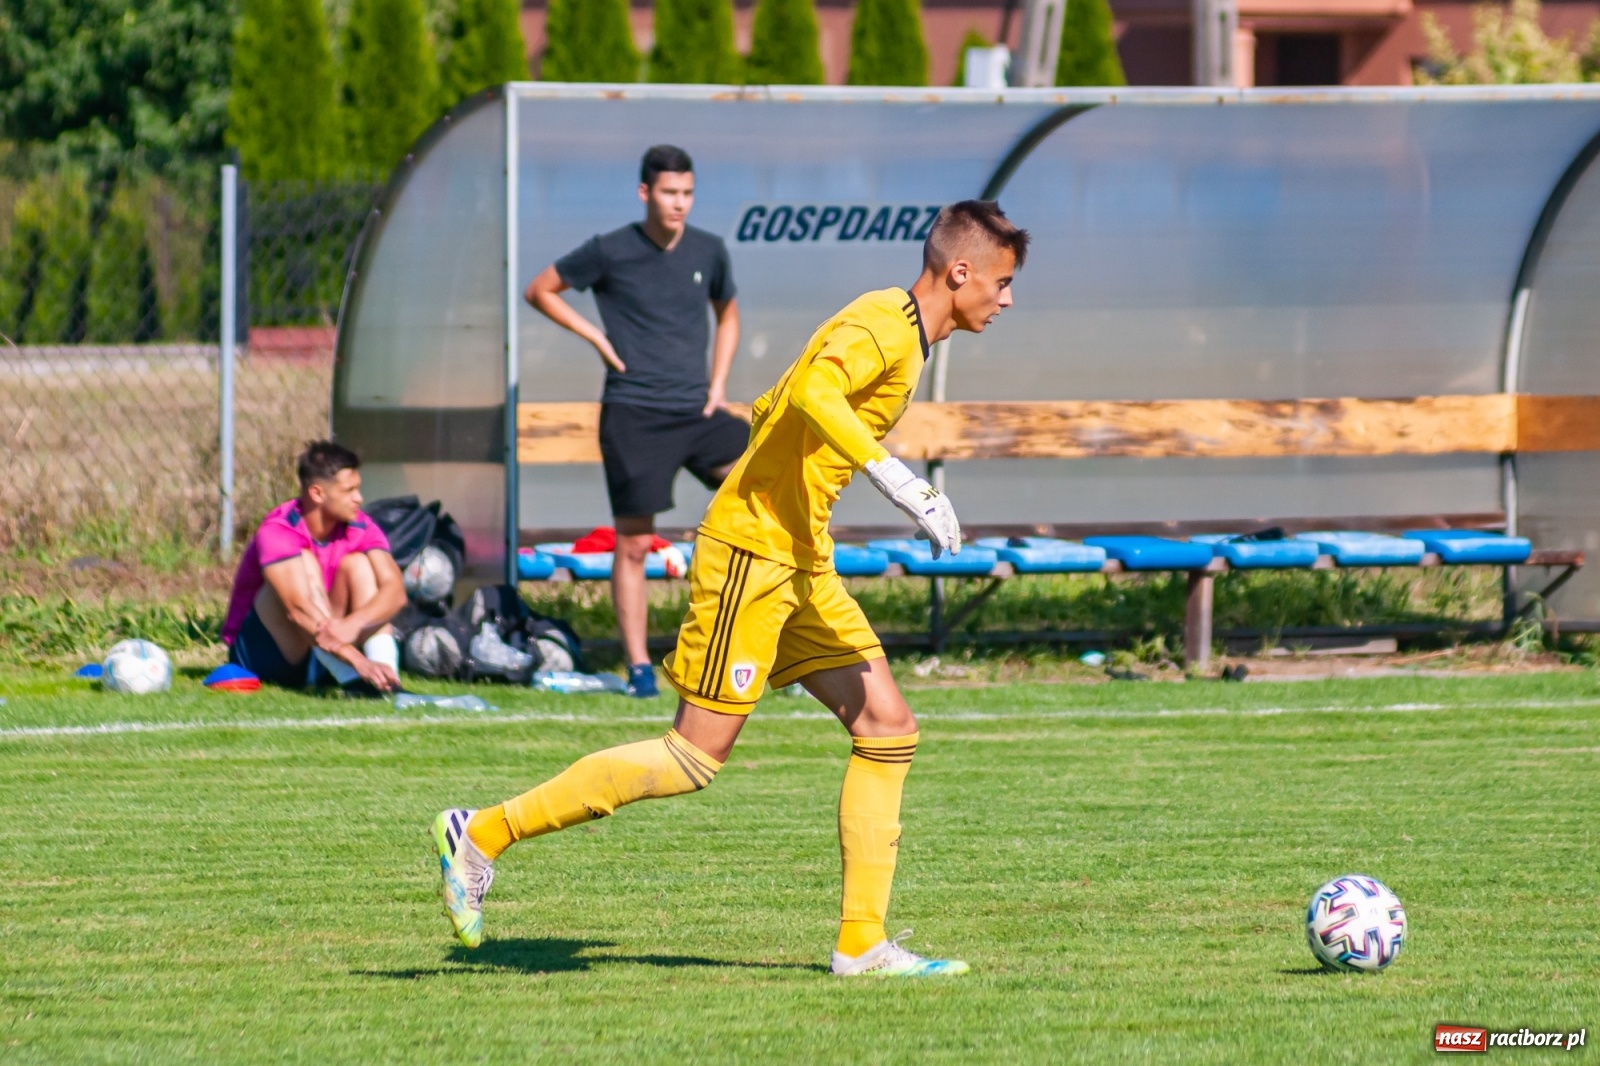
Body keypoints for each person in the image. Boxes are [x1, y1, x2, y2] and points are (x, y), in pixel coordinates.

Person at [435, 200, 1028, 977]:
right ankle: (481, 833)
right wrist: (899, 479)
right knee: (692, 757)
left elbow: (777, 407)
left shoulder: (903, 332)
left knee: (888, 727)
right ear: (960, 272)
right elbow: (813, 392)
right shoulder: (886, 324)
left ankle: (862, 944)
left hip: (800, 560)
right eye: (1002, 282)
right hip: (753, 554)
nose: (1007, 299)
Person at [525, 144, 745, 699]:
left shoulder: (709, 250)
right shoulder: (610, 249)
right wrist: (597, 339)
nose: (680, 203)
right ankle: (641, 668)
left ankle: (772, 647)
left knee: (770, 482)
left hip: (698, 413)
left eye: (688, 193)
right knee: (633, 543)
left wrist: (718, 385)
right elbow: (540, 289)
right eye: (669, 193)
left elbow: (729, 316)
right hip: (634, 415)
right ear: (646, 192)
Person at [221, 440, 406, 695]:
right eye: (349, 490)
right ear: (317, 493)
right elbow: (298, 610)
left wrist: (355, 623)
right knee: (305, 563)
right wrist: (358, 661)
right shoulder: (278, 529)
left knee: (359, 565)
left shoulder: (361, 526)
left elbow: (395, 590)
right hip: (268, 655)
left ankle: (387, 682)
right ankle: (353, 679)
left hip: (326, 650)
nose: (359, 498)